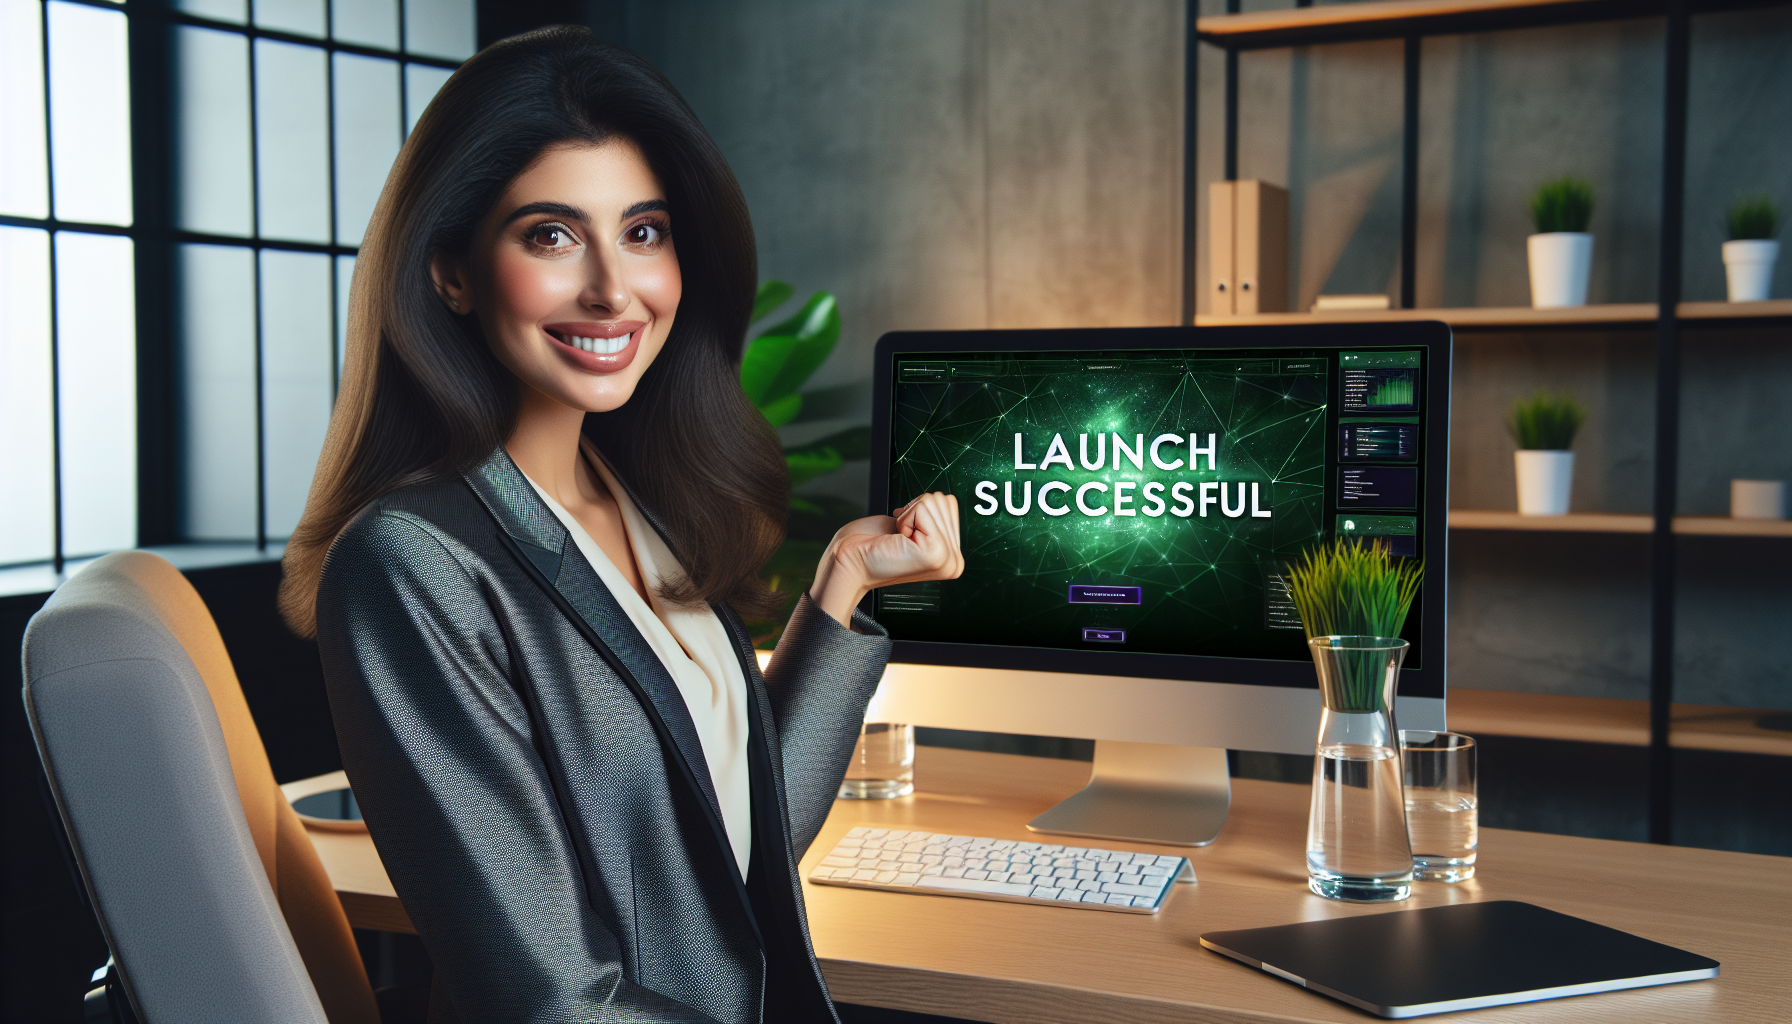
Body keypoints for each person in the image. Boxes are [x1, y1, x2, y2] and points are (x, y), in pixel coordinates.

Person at [279, 26, 963, 1022]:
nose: (613, 287)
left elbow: (726, 840)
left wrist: (842, 587)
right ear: (451, 272)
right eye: (550, 235)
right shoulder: (411, 564)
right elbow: (547, 999)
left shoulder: (635, 496)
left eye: (642, 231)